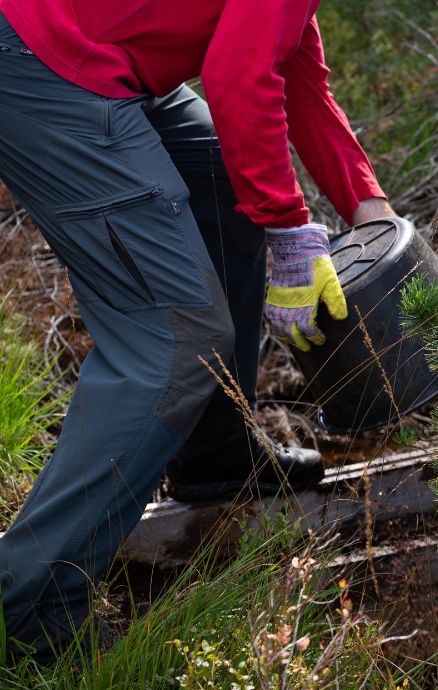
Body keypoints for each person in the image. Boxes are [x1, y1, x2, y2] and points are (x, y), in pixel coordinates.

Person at [0, 1, 394, 660]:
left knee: (222, 180)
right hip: (47, 66)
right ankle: (30, 599)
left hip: (96, 59)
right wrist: (289, 223)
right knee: (175, 336)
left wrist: (370, 210)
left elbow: (293, 68)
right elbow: (239, 74)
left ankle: (216, 456)